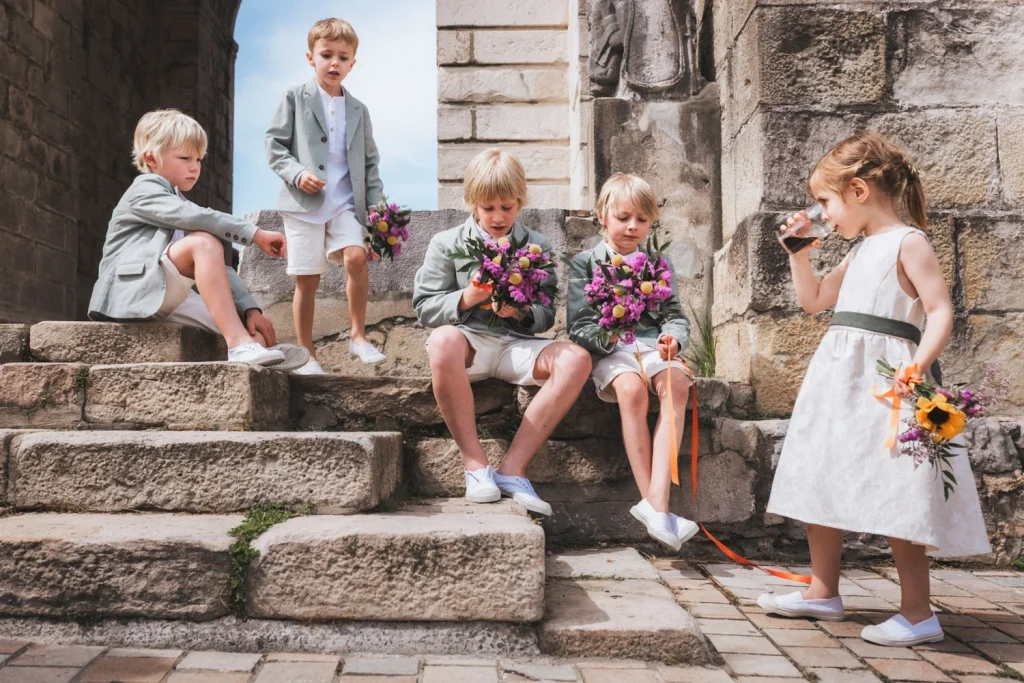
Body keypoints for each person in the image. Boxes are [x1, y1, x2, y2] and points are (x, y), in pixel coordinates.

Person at [757, 132, 990, 647]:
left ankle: (917, 613)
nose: (822, 214)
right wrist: (798, 254)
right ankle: (822, 590)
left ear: (858, 190)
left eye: (825, 202)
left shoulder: (908, 242)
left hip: (889, 381)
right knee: (825, 469)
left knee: (898, 485)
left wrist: (919, 366)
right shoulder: (861, 250)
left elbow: (940, 311)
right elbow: (815, 300)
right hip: (839, 380)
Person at [413, 148, 592, 516]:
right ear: (472, 202)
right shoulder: (446, 243)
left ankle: (512, 469)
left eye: (507, 208)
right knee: (442, 340)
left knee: (577, 358)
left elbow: (546, 314)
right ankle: (475, 466)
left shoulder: (537, 245)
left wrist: (523, 312)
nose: (497, 217)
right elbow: (425, 308)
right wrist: (467, 297)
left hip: (518, 345)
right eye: (488, 207)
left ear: (520, 202)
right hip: (469, 344)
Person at [89, 109, 307, 371]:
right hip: (135, 290)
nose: (194, 167)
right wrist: (254, 233)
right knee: (204, 242)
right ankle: (240, 346)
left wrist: (251, 309)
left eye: (199, 159)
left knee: (249, 328)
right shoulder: (144, 189)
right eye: (184, 158)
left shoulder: (178, 201)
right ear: (151, 157)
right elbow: (197, 218)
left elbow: (217, 268)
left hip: (167, 295)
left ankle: (255, 351)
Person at [567, 173, 699, 550]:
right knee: (631, 392)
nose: (632, 226)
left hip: (654, 349)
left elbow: (674, 315)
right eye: (624, 217)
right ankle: (658, 508)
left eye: (642, 219)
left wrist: (673, 337)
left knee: (676, 383)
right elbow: (578, 326)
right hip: (612, 350)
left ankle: (655, 505)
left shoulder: (658, 263)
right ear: (602, 216)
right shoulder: (584, 264)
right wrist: (609, 331)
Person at [266, 17, 385, 373]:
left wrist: (377, 216)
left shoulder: (358, 109)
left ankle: (358, 336)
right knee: (308, 279)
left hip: (345, 202)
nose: (334, 63)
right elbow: (274, 146)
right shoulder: (294, 97)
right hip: (303, 204)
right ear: (311, 57)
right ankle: (306, 354)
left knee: (356, 257)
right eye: (326, 55)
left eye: (343, 57)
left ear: (352, 63)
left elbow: (370, 163)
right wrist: (298, 173)